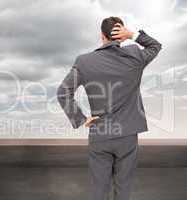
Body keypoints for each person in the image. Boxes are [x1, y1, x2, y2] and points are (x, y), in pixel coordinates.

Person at [57, 16, 162, 200]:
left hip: (100, 134)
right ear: (120, 36)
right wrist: (132, 35)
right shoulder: (135, 55)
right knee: (123, 190)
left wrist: (81, 119)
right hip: (128, 136)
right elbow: (155, 46)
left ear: (102, 36)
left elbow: (63, 93)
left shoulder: (84, 61)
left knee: (98, 190)